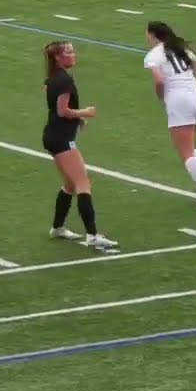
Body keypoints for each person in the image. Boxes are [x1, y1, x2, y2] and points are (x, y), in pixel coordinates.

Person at [43, 41, 117, 251]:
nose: (73, 54)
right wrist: (85, 113)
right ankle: (92, 235)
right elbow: (62, 111)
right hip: (61, 139)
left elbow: (55, 105)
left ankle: (57, 227)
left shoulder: (53, 77)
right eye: (69, 52)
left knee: (70, 184)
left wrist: (77, 119)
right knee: (83, 182)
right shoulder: (64, 80)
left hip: (54, 135)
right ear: (58, 57)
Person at [144, 21, 196, 207]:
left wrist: (161, 97)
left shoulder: (153, 55)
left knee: (186, 151)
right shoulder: (179, 48)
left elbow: (159, 81)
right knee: (190, 145)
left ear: (152, 35)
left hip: (179, 100)